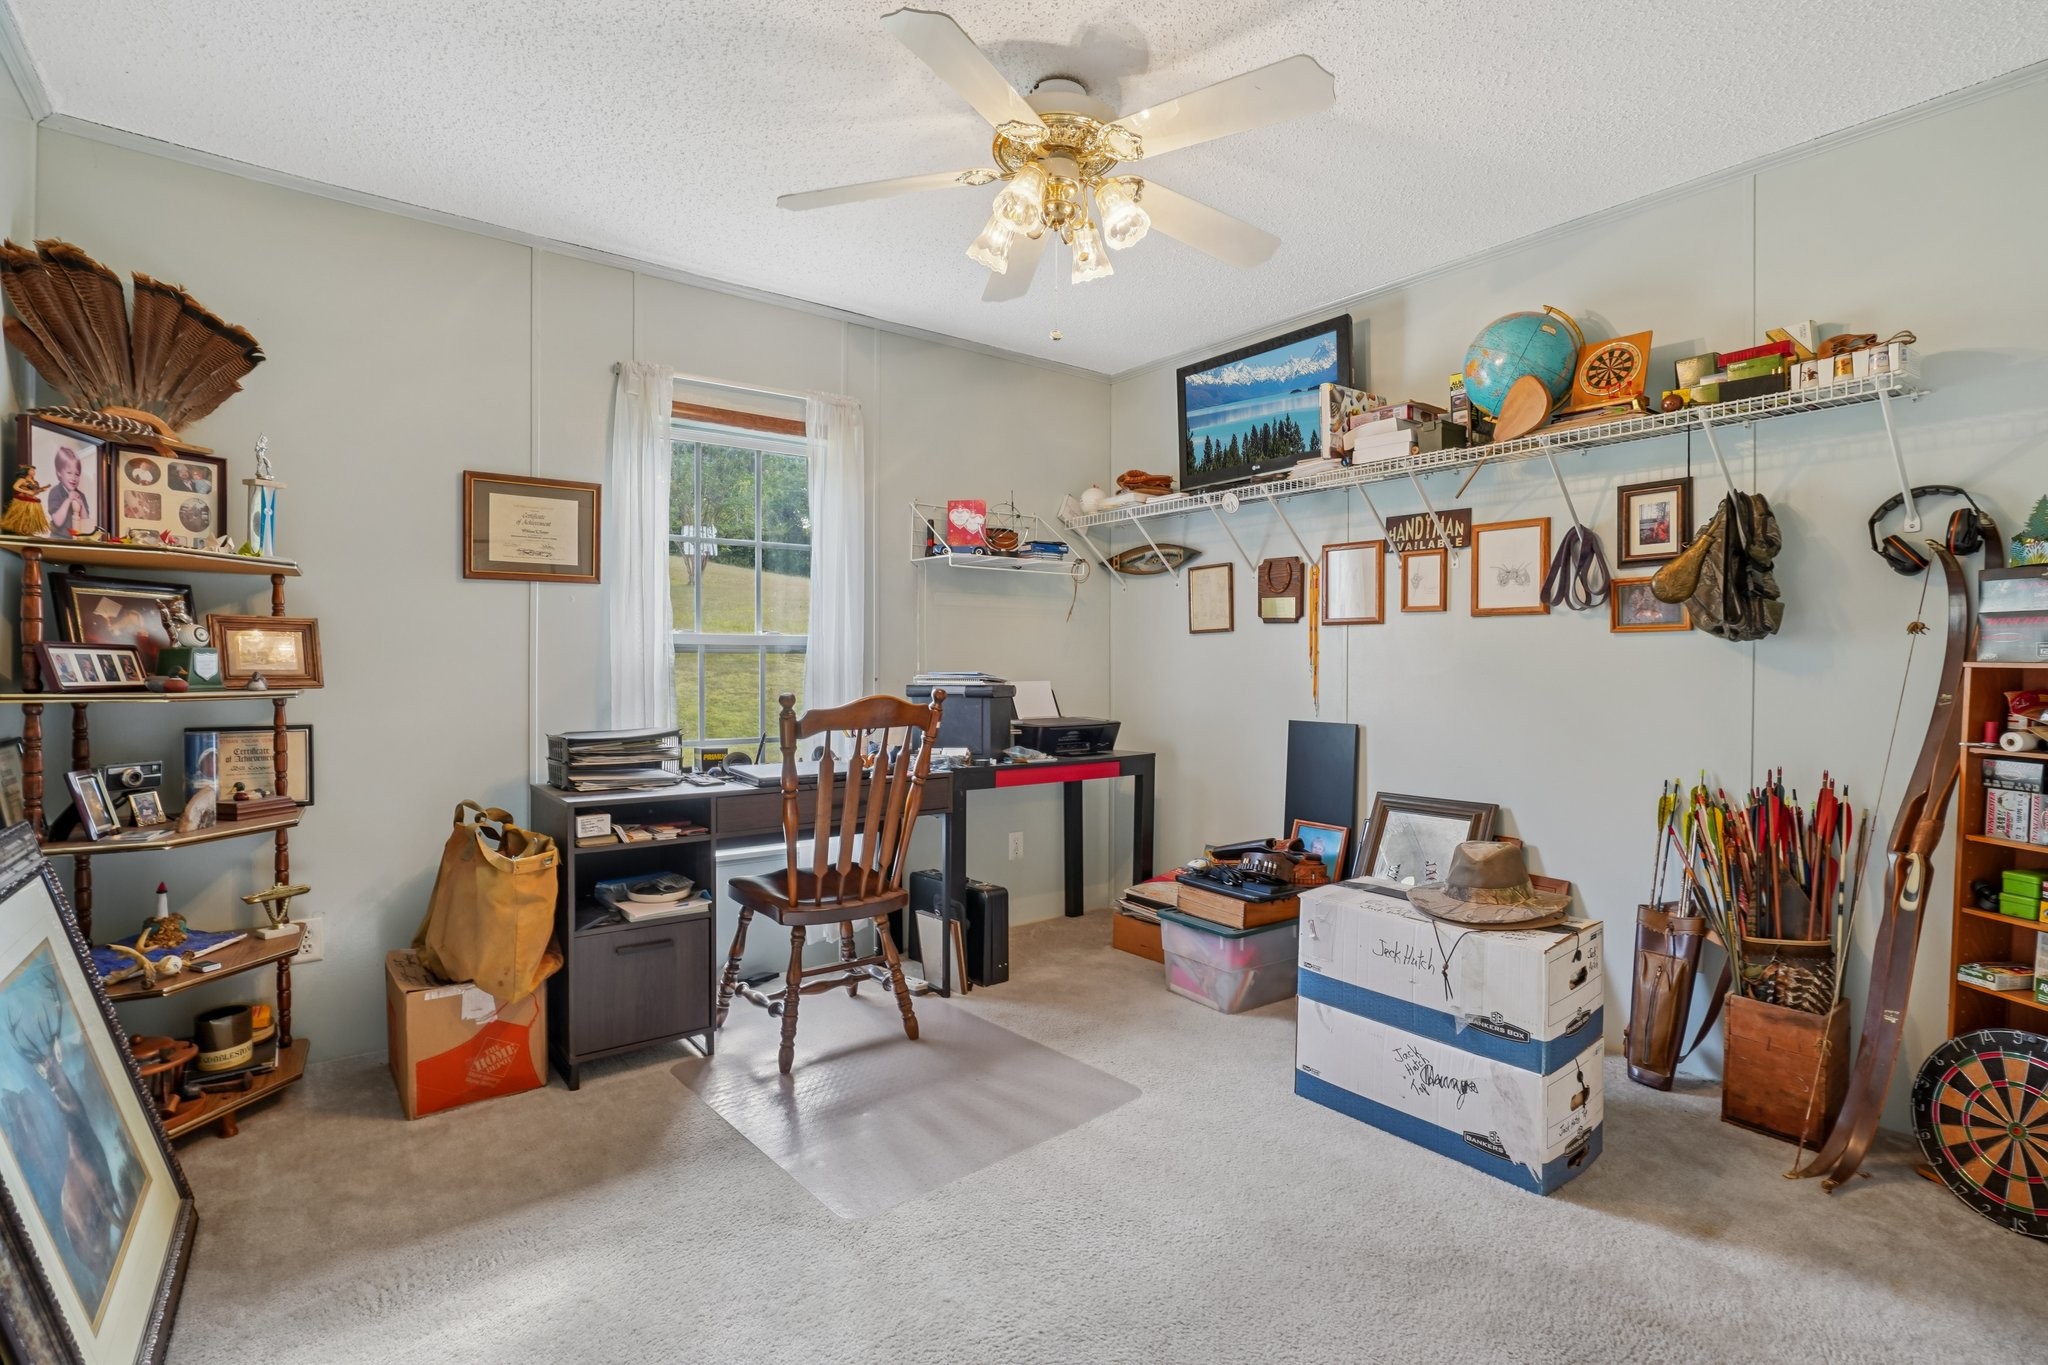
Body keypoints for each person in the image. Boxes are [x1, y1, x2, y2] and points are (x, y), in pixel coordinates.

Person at [43, 445, 92, 536]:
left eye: (77, 474)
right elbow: (58, 521)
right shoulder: (55, 492)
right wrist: (68, 500)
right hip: (58, 539)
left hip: (76, 538)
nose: (73, 478)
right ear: (59, 473)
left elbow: (85, 521)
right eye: (69, 473)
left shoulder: (80, 495)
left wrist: (81, 505)